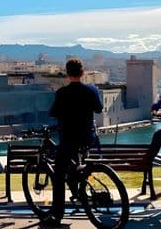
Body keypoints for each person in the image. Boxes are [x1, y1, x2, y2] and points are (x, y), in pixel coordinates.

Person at [46, 59, 103, 226]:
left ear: (67, 74)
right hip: (87, 137)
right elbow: (99, 109)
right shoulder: (91, 91)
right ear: (82, 73)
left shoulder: (62, 93)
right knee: (74, 167)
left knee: (58, 174)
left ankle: (57, 214)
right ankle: (78, 186)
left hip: (69, 139)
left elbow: (53, 112)